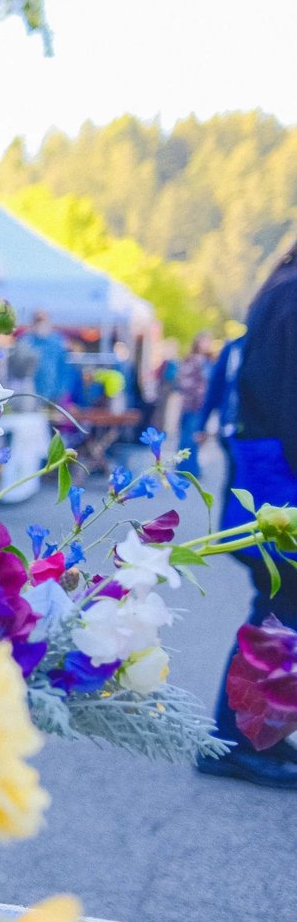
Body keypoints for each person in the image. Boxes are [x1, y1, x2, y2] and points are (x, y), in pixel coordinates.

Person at [197, 238, 297, 788]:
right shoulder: (292, 296)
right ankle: (237, 739)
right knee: (280, 610)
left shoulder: (281, 289)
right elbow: (290, 404)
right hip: (280, 481)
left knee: (281, 608)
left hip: (270, 472)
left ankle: (256, 734)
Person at [174, 332, 213, 477]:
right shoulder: (195, 360)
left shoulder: (204, 360)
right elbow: (184, 382)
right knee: (189, 438)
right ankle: (186, 470)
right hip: (193, 405)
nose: (207, 345)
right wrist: (200, 394)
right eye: (205, 341)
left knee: (192, 438)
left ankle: (189, 469)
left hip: (195, 405)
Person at [20, 311, 69, 403]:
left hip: (53, 392)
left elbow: (64, 368)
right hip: (29, 391)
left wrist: (61, 391)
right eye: (38, 320)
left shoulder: (57, 341)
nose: (40, 323)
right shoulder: (25, 340)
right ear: (33, 321)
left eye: (43, 319)